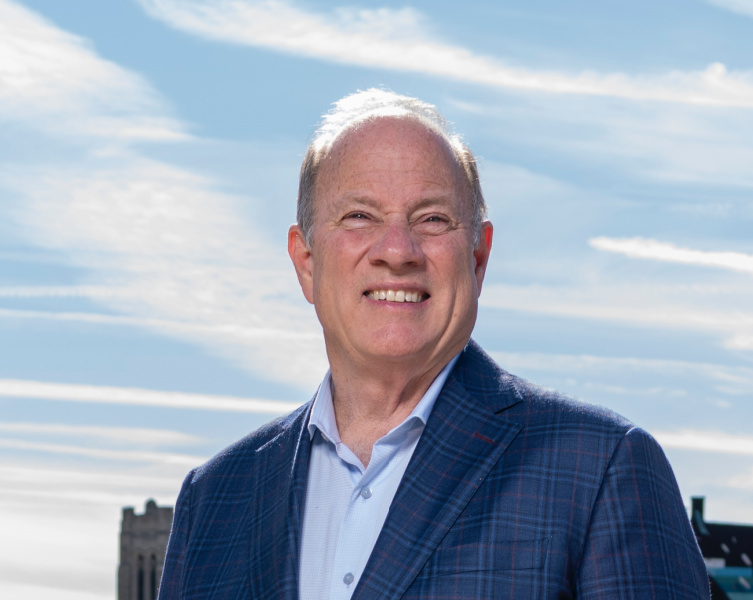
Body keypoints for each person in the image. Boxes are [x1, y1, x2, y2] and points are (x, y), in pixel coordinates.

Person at [157, 89, 710, 600]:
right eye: (359, 216)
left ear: (478, 258)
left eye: (433, 219)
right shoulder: (213, 500)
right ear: (306, 262)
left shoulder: (600, 469)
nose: (398, 251)